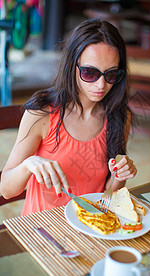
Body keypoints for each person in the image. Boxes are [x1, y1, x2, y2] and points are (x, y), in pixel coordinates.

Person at [0, 19, 137, 216]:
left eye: (111, 74)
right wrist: (28, 164)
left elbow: (109, 192)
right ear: (72, 66)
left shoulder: (119, 116)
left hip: (91, 226)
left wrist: (120, 175)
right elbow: (6, 189)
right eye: (90, 73)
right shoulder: (42, 113)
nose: (101, 85)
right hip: (44, 231)